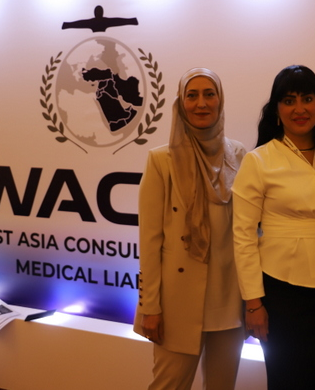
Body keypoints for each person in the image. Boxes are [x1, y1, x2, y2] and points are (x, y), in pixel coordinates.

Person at [232, 65, 315, 390]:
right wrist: (254, 304)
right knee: (286, 380)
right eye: (289, 100)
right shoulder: (259, 160)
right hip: (280, 291)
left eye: (307, 98)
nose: (299, 109)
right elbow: (242, 236)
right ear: (277, 110)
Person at [134, 68, 246, 390]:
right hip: (176, 304)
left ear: (220, 100)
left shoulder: (238, 154)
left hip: (229, 300)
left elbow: (249, 232)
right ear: (180, 103)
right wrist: (150, 307)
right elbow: (150, 241)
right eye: (192, 95)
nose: (201, 103)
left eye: (209, 94)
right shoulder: (161, 160)